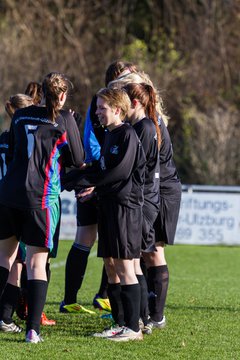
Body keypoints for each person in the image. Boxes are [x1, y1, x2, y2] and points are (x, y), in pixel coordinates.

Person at [0, 72, 84, 343]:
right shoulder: (64, 119)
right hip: (41, 200)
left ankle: (3, 316)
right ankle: (32, 330)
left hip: (10, 195)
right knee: (37, 263)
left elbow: (13, 151)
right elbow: (77, 159)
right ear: (62, 95)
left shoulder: (21, 116)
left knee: (4, 258)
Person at [63, 87, 146, 341]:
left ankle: (133, 328)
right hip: (108, 207)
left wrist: (94, 186)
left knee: (125, 267)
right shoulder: (108, 135)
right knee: (112, 267)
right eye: (97, 107)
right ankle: (121, 323)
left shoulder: (127, 135)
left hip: (125, 209)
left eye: (102, 108)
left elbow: (119, 173)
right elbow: (100, 169)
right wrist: (69, 179)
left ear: (118, 110)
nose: (97, 112)